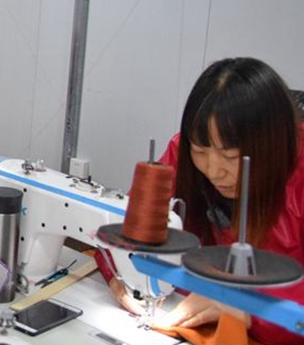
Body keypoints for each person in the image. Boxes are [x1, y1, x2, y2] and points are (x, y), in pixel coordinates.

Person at [103, 58, 304, 345]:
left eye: (231, 157)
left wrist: (249, 306)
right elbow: (126, 226)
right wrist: (120, 274)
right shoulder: (181, 154)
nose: (214, 170)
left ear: (272, 144)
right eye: (200, 151)